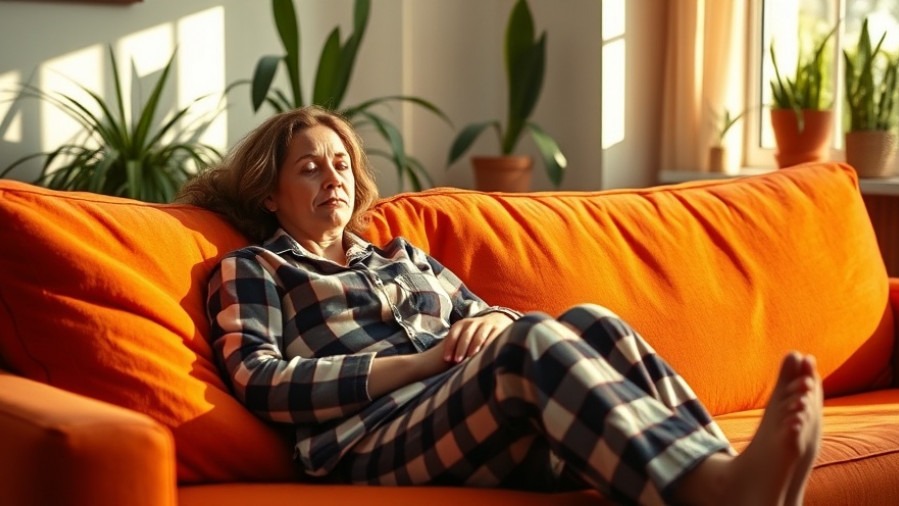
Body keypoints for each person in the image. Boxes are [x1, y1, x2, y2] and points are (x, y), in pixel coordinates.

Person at [177, 105, 822, 505]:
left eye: (341, 163)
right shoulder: (256, 267)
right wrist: (422, 364)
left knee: (590, 322)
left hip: (471, 419)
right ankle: (713, 490)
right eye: (310, 168)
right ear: (269, 193)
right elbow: (260, 380)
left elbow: (497, 324)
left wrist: (491, 319)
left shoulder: (401, 256)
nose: (333, 177)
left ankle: (729, 474)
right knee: (535, 343)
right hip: (366, 443)